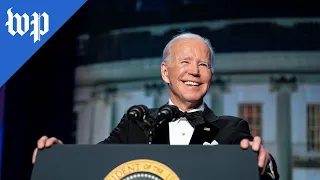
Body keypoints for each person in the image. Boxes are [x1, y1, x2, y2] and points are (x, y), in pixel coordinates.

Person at [32, 32, 279, 179]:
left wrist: (263, 163)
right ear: (165, 72)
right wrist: (60, 156)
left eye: (203, 65)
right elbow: (95, 164)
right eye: (185, 62)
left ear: (211, 74)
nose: (194, 71)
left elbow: (255, 174)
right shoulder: (136, 123)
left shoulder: (232, 129)